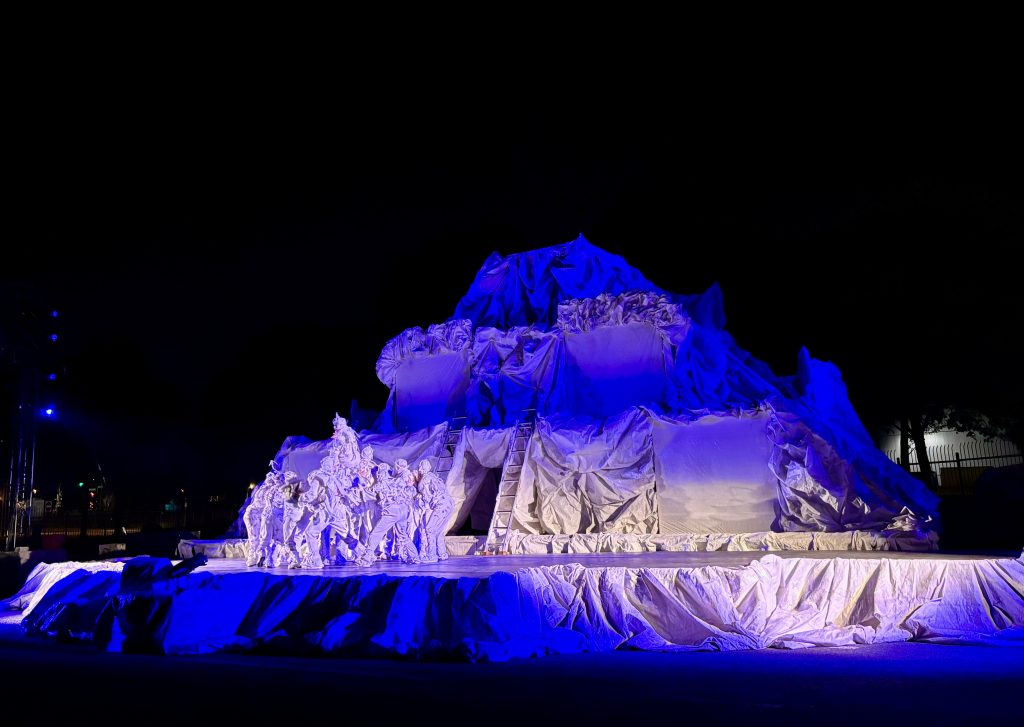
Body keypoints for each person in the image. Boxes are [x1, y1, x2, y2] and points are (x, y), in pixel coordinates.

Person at [416, 459, 453, 562]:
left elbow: (428, 497)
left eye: (420, 467)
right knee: (439, 531)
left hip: (441, 505)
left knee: (430, 529)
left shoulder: (426, 479)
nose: (419, 470)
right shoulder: (434, 477)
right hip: (448, 503)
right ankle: (442, 553)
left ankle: (431, 555)